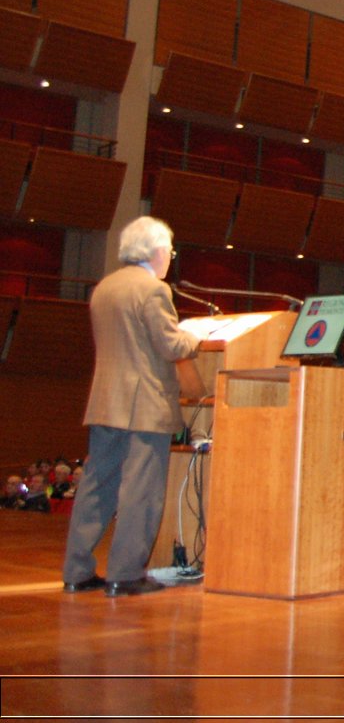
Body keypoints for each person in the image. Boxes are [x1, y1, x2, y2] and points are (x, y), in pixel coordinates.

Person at [62, 217, 203, 597]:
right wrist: (193, 335)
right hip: (144, 405)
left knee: (96, 486)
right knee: (142, 489)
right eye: (170, 252)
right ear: (157, 252)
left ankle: (76, 571)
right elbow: (171, 346)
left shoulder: (105, 287)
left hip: (107, 401)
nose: (170, 259)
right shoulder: (153, 290)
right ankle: (125, 574)